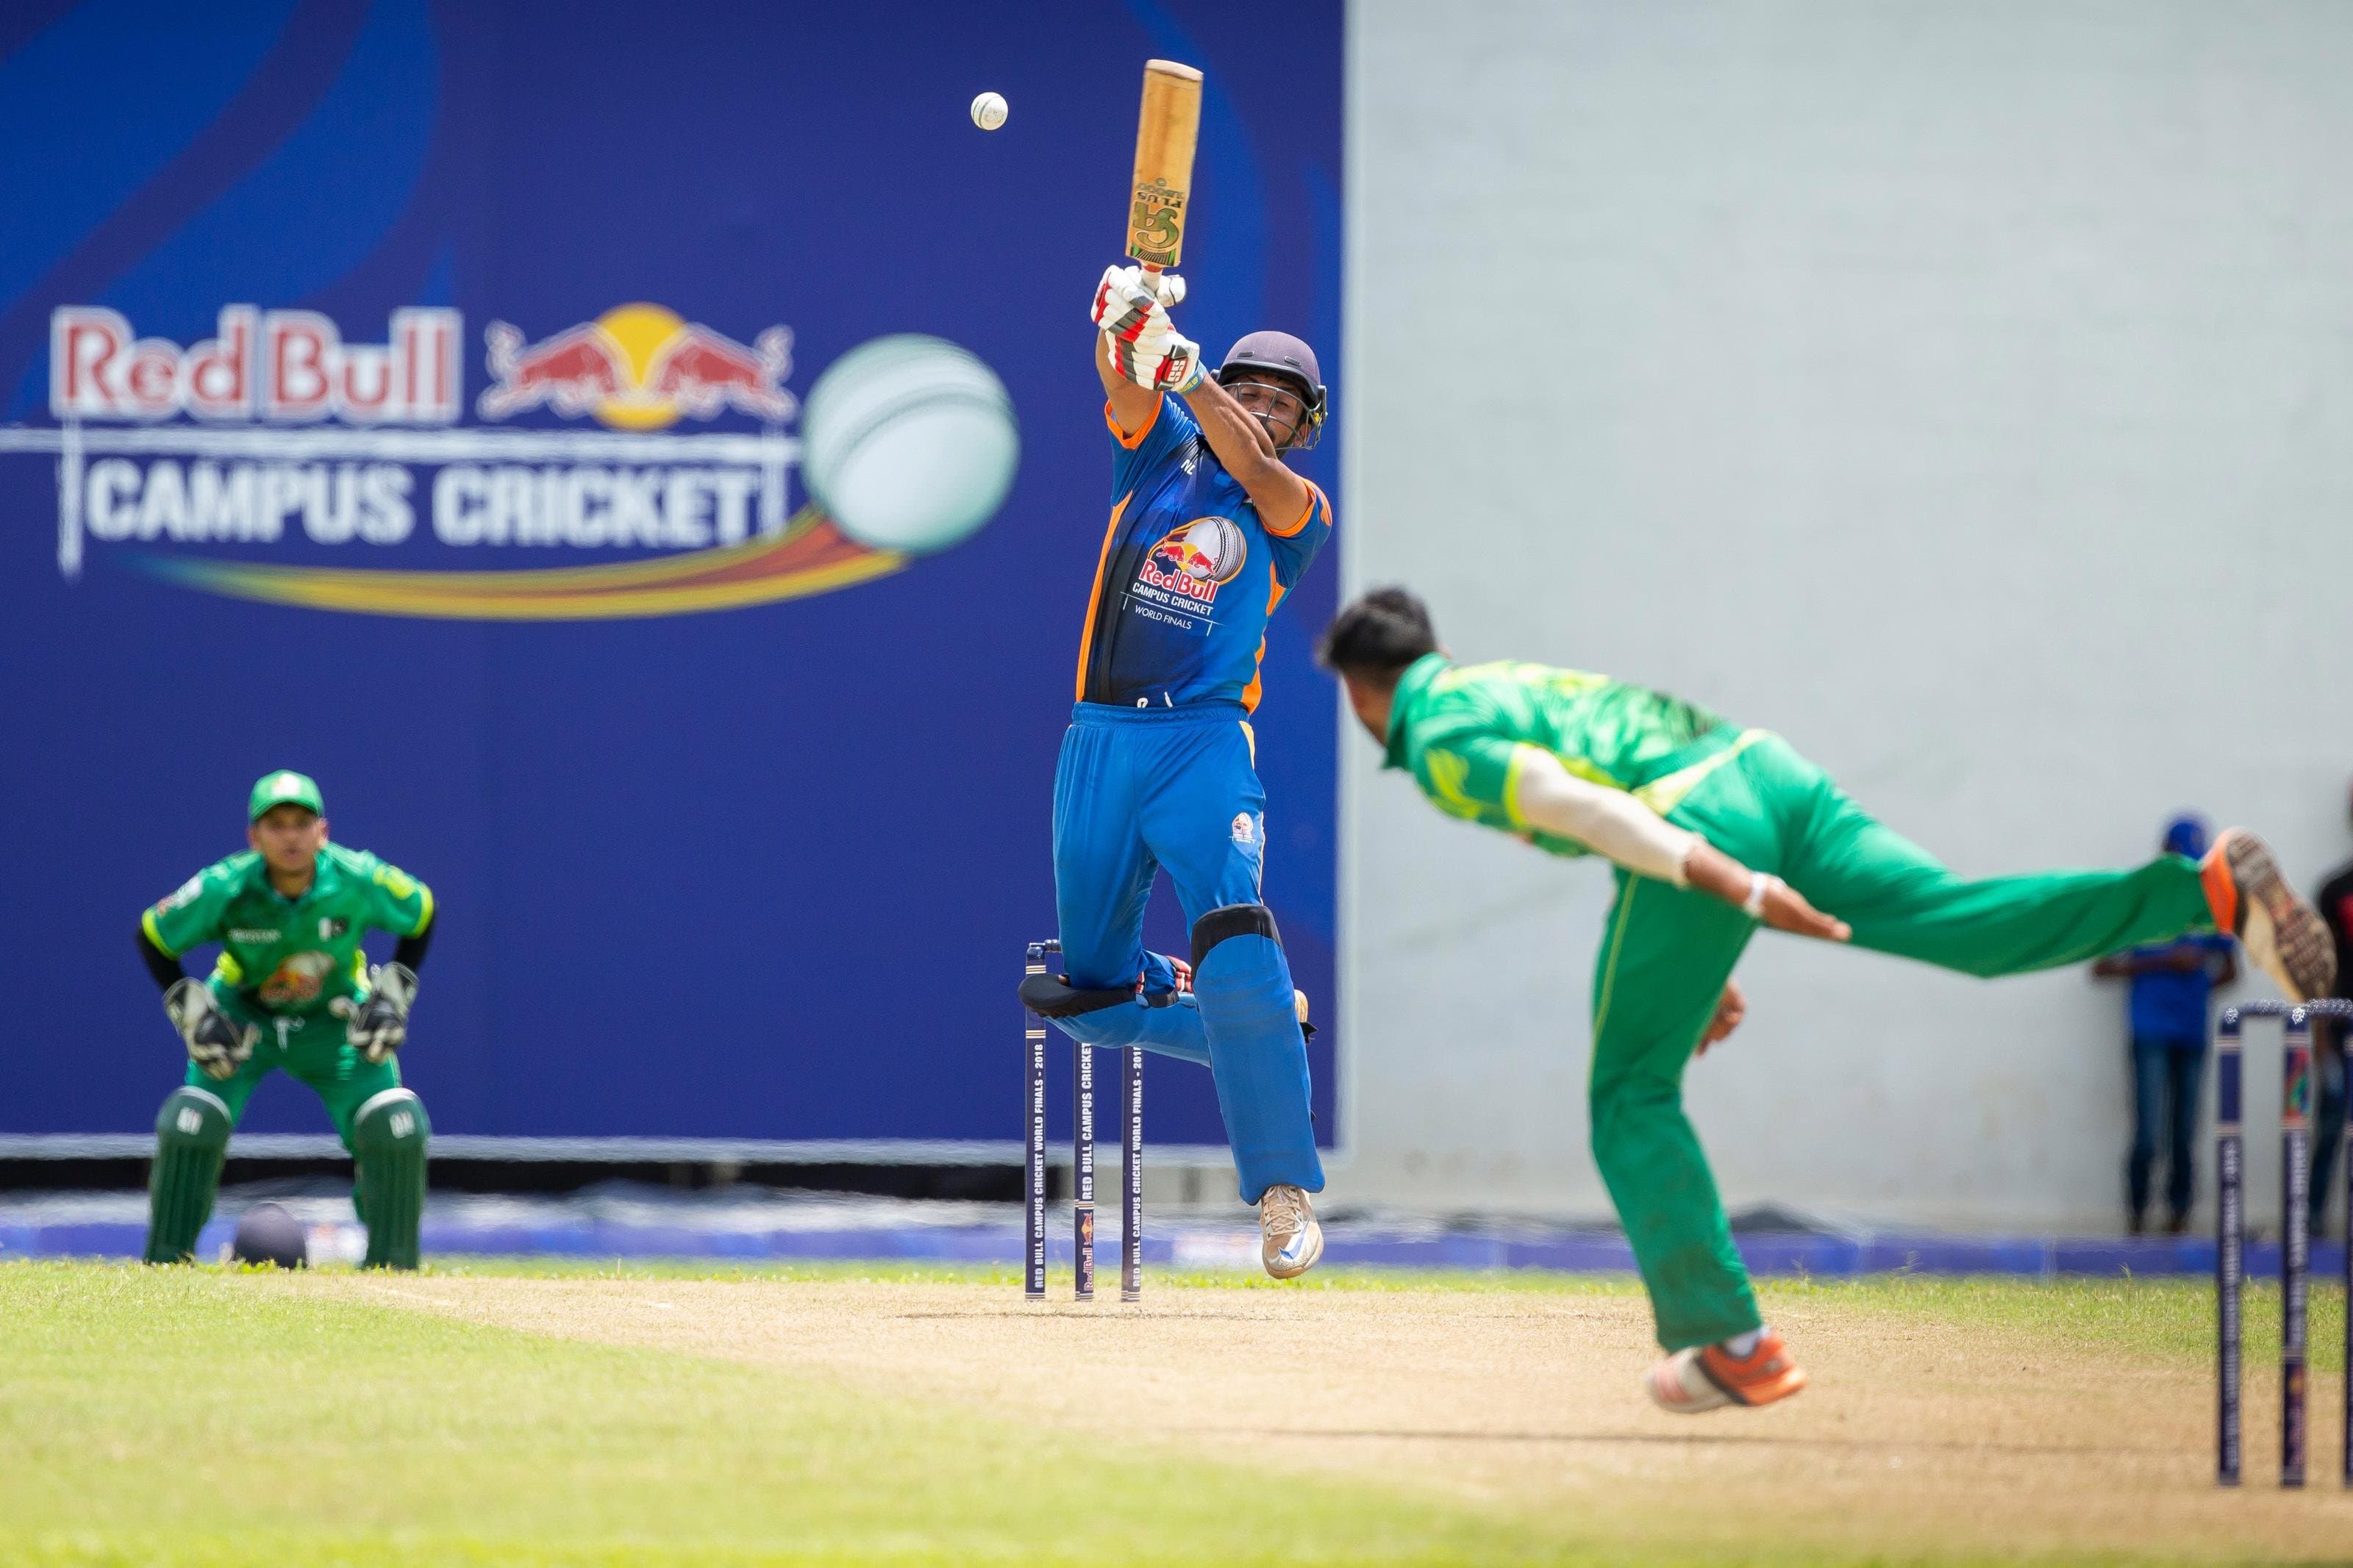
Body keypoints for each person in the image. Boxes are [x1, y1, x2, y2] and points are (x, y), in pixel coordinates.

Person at [1318, 585, 2335, 1414]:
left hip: (1699, 824)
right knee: (1961, 922)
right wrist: (1704, 952)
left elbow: (1588, 810)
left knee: (1628, 1091)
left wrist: (1736, 891)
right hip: (1768, 774)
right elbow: (1623, 799)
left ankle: (1730, 1341)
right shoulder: (1498, 681)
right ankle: (2204, 892)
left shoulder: (1437, 735)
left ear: (1365, 696)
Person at [1019, 265, 1335, 1278]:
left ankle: (1281, 1196)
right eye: (1251, 392)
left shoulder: (1296, 509)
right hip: (1100, 739)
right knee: (1086, 994)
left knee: (1235, 929)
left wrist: (1189, 368)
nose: (1262, 411)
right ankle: (1254, 1016)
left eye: (1281, 404)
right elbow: (1123, 381)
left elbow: (1245, 458)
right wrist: (1124, 314)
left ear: (1302, 428)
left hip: (1201, 742)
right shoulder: (1158, 451)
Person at [138, 770, 435, 1268]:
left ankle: (394, 1264)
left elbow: (420, 912)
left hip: (334, 1022)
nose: (290, 837)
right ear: (254, 837)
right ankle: (166, 1263)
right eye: (276, 825)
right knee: (192, 1121)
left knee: (394, 1122)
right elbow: (154, 934)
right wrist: (188, 1005)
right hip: (242, 1023)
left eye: (301, 823)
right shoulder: (227, 886)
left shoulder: (356, 877)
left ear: (323, 831)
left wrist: (394, 989)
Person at [2090, 815, 2236, 1235]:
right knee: (2148, 1132)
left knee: (2185, 1133)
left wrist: (2199, 984)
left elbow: (2230, 970)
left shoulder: (2213, 905)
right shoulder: (2141, 903)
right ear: (2165, 856)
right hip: (2149, 1029)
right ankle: (2136, 1217)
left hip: (2191, 1029)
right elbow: (2101, 968)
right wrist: (2165, 962)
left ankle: (2178, 1219)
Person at [2310, 781, 2353, 1231]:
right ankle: (2313, 1225)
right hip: (2341, 1026)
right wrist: (2320, 1036)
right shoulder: (2334, 889)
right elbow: (2320, 968)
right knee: (2329, 1125)